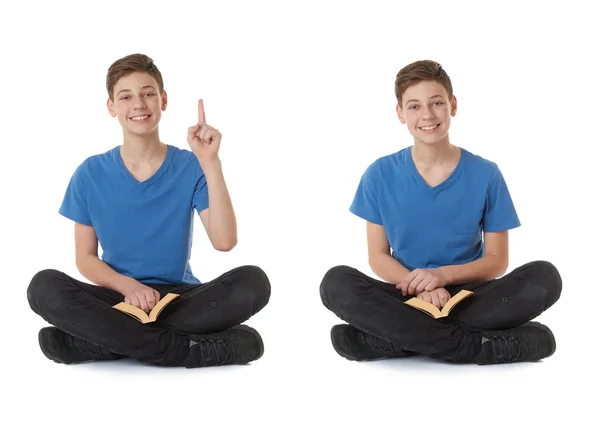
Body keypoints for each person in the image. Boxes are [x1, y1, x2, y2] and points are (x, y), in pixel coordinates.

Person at [27, 53, 270, 368]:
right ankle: (187, 350)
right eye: (125, 97)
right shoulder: (89, 173)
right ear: (111, 106)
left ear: (163, 100)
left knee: (254, 282)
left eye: (148, 93)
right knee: (44, 287)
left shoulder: (190, 166)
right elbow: (84, 258)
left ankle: (96, 343)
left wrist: (211, 162)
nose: (138, 104)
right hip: (118, 297)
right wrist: (130, 287)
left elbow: (224, 242)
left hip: (179, 299)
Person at [319, 60, 561, 365]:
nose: (427, 115)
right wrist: (420, 289)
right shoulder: (378, 174)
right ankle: (476, 347)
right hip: (404, 295)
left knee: (544, 277)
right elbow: (378, 256)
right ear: (400, 113)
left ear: (452, 105)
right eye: (415, 106)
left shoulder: (486, 174)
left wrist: (439, 277)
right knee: (335, 282)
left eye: (436, 103)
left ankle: (389, 340)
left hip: (470, 297)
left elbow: (496, 261)